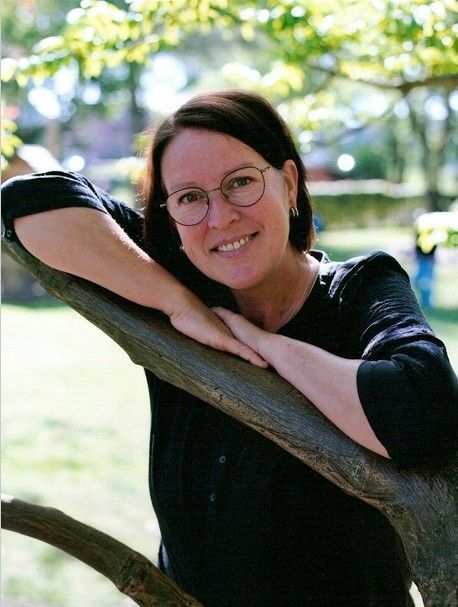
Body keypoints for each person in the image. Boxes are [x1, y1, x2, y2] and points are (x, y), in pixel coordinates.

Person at [2, 89, 456, 607]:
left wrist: (266, 345)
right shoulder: (175, 282)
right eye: (189, 197)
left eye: (240, 182)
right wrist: (178, 304)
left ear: (289, 182)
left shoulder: (360, 289)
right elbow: (28, 200)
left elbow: (423, 411)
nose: (219, 217)